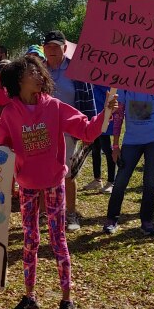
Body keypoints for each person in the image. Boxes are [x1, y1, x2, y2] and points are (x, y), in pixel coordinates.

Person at [0, 55, 117, 309]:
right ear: (18, 80)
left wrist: (106, 112)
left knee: (58, 241)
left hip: (53, 183)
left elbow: (86, 131)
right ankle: (29, 296)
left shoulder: (55, 107)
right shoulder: (9, 113)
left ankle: (66, 300)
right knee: (29, 241)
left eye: (40, 71)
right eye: (32, 72)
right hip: (27, 187)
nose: (40, 76)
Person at [103, 88, 154, 235]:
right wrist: (116, 146)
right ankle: (112, 219)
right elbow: (118, 115)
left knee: (150, 181)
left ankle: (146, 221)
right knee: (121, 180)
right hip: (132, 140)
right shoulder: (124, 86)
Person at [42, 30, 96, 232]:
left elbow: (89, 100)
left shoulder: (77, 69)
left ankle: (70, 213)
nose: (52, 50)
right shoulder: (39, 69)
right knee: (42, 172)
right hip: (43, 129)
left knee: (68, 174)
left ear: (65, 48)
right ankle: (43, 213)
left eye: (56, 46)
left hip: (69, 129)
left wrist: (89, 130)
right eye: (48, 47)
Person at [85, 84, 115, 194]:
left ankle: (111, 181)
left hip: (103, 120)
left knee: (107, 149)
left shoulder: (104, 84)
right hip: (94, 119)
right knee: (95, 149)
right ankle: (97, 179)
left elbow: (109, 100)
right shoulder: (92, 84)